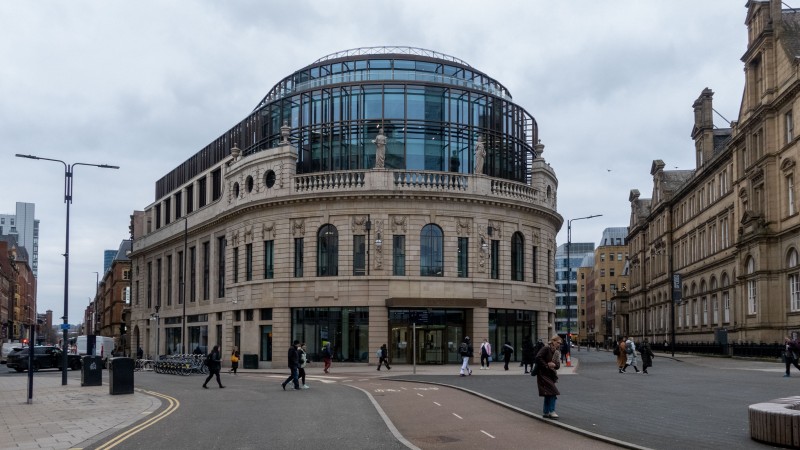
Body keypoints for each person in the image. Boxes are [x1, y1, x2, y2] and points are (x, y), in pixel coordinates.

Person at [536, 335, 562, 419]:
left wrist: (554, 365)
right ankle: (552, 411)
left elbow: (558, 365)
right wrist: (546, 365)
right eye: (558, 342)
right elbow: (538, 357)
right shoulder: (546, 348)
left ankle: (546, 412)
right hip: (543, 374)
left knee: (548, 393)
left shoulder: (557, 352)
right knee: (553, 392)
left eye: (560, 343)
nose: (559, 344)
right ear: (553, 341)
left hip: (550, 375)